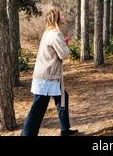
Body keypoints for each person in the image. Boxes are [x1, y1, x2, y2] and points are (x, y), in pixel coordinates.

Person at [21, 8, 78, 136]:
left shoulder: (47, 33)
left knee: (63, 97)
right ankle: (27, 134)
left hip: (46, 76)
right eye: (61, 15)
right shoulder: (55, 34)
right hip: (47, 78)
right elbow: (63, 54)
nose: (64, 17)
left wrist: (63, 43)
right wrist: (65, 44)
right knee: (38, 108)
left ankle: (65, 130)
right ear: (57, 19)